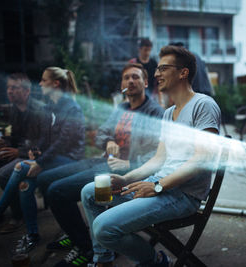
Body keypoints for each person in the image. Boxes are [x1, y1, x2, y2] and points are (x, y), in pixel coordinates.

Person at [81, 45, 221, 267]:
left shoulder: (203, 105)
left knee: (103, 228)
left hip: (182, 195)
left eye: (163, 68)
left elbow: (203, 159)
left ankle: (153, 260)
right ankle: (103, 259)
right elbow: (158, 159)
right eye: (157, 69)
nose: (156, 74)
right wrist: (127, 179)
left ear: (183, 72)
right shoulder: (167, 114)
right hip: (157, 185)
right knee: (90, 193)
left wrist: (158, 186)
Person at [44, 63, 164, 267]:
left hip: (127, 171)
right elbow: (101, 133)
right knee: (47, 179)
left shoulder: (155, 112)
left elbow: (158, 155)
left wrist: (129, 162)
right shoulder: (121, 108)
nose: (131, 81)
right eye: (126, 77)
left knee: (57, 192)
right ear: (122, 85)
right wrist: (108, 141)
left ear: (145, 82)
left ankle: (87, 248)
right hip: (102, 161)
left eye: (136, 77)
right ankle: (80, 235)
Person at [0, 67, 86, 254]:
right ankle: (32, 234)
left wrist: (40, 162)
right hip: (54, 158)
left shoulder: (72, 108)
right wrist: (35, 152)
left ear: (55, 84)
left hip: (71, 160)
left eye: (44, 80)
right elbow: (45, 139)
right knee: (26, 184)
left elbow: (63, 142)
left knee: (21, 167)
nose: (40, 84)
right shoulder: (50, 107)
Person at [0, 73, 46, 234]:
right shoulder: (15, 110)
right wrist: (5, 141)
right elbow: (18, 137)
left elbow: (43, 142)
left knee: (4, 174)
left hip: (35, 156)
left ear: (26, 92)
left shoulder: (39, 110)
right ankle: (16, 208)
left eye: (14, 88)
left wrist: (18, 151)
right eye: (8, 87)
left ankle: (18, 216)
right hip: (21, 152)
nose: (9, 91)